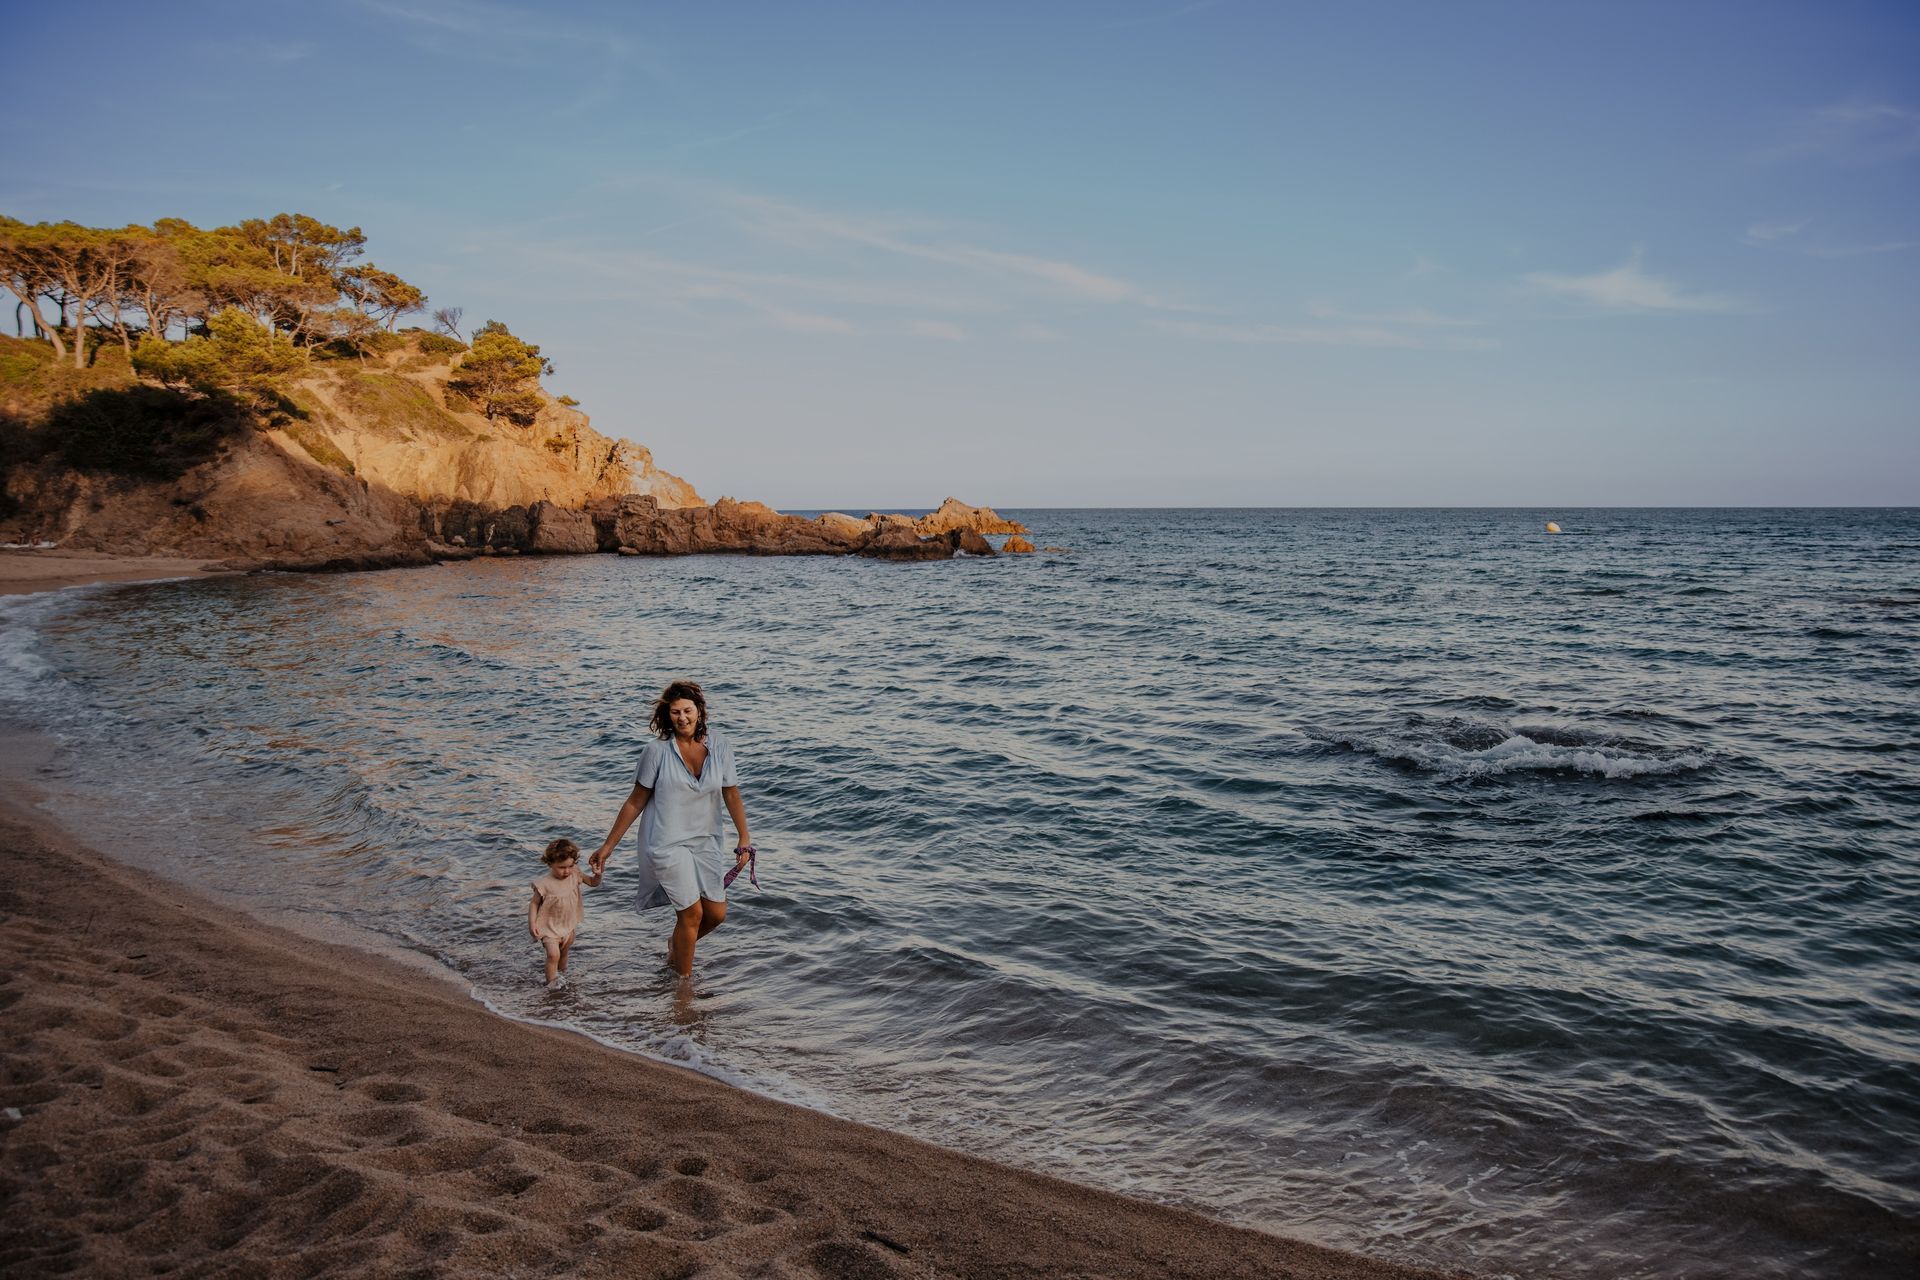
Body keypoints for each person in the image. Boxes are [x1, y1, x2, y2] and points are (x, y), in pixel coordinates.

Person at [589, 680, 755, 977]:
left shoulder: (720, 745)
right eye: (676, 712)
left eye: (688, 711)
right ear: (667, 716)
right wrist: (607, 846)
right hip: (666, 843)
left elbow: (731, 792)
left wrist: (744, 836)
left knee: (716, 914)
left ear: (700, 711)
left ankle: (676, 946)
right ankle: (683, 987)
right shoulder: (657, 751)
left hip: (707, 841)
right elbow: (635, 802)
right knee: (691, 914)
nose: (682, 718)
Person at [527, 837, 601, 989]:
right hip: (548, 927)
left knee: (564, 953)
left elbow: (593, 883)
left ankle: (562, 978)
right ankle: (552, 986)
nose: (567, 871)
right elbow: (534, 904)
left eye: (570, 866)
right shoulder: (544, 884)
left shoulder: (575, 874)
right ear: (550, 863)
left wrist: (598, 874)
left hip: (568, 925)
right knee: (553, 955)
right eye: (562, 867)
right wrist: (532, 924)